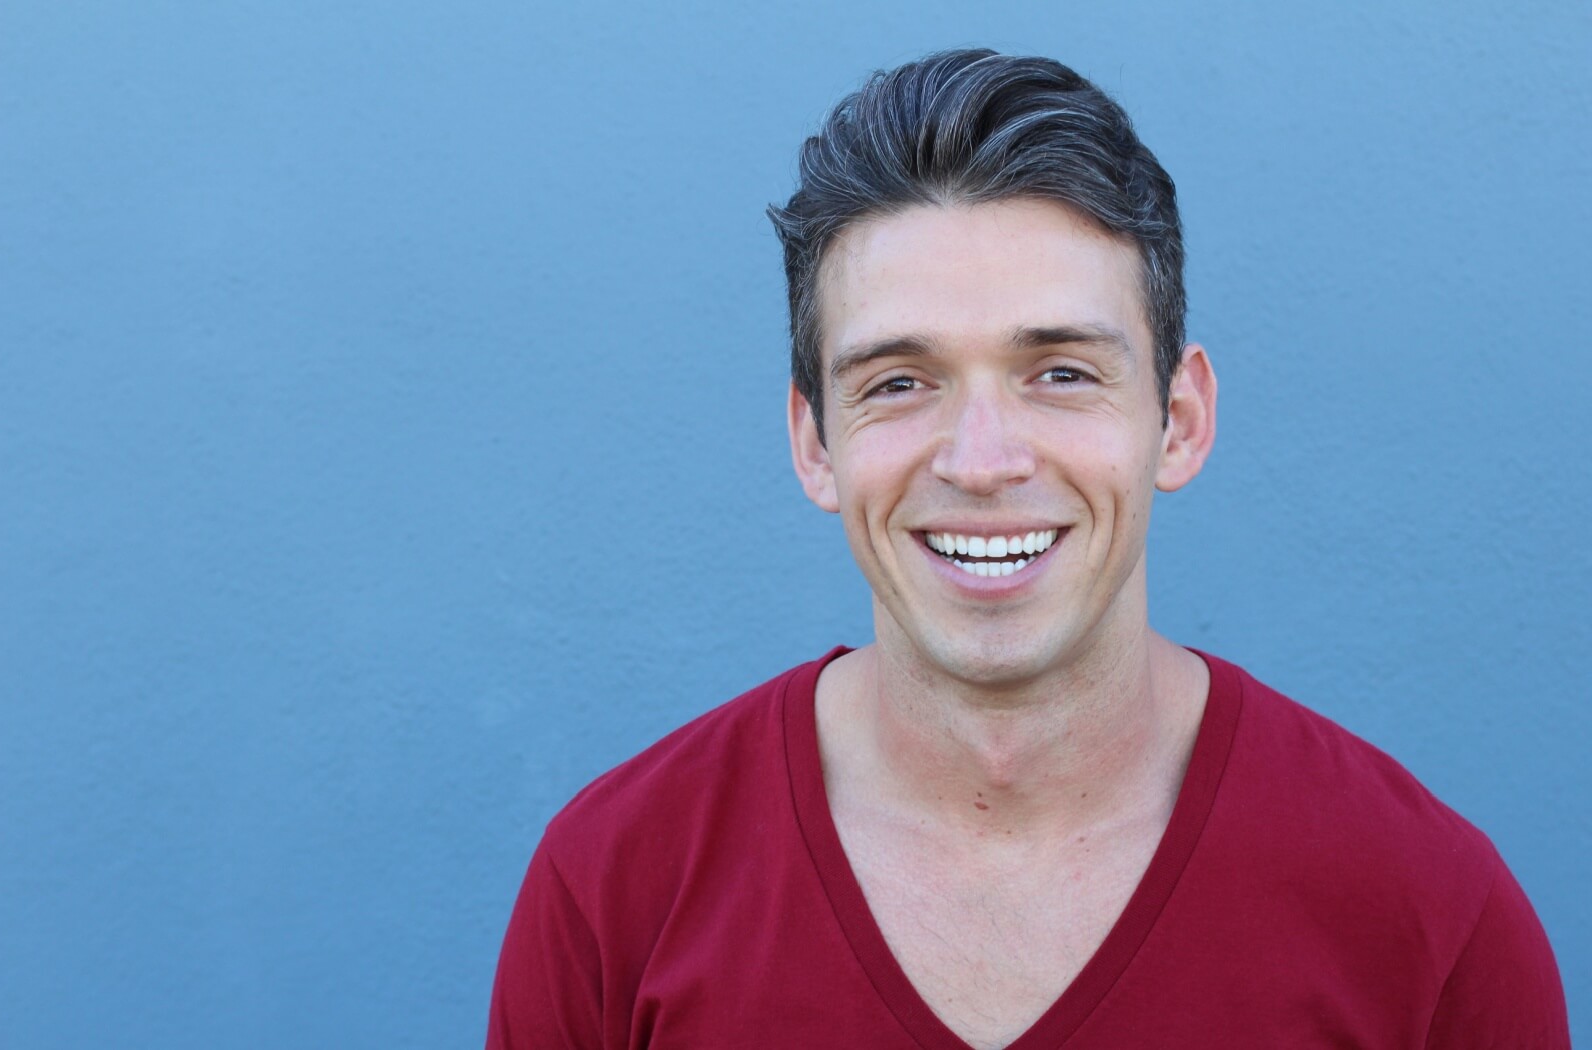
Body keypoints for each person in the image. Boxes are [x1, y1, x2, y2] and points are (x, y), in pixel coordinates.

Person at [486, 49, 1569, 1048]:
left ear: (1178, 421)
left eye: (1059, 371)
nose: (983, 459)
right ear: (814, 442)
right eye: (899, 383)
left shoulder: (1425, 910)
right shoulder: (616, 889)